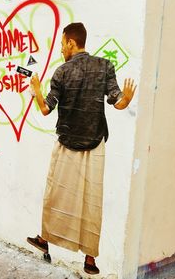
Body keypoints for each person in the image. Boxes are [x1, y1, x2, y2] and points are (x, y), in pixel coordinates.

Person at [26, 22, 136, 275]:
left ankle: (45, 239)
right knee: (92, 199)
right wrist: (127, 99)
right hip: (95, 142)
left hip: (66, 142)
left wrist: (37, 93)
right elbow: (117, 102)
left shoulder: (61, 72)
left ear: (72, 43)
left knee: (56, 194)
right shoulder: (105, 66)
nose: (61, 48)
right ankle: (90, 260)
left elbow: (45, 110)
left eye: (62, 43)